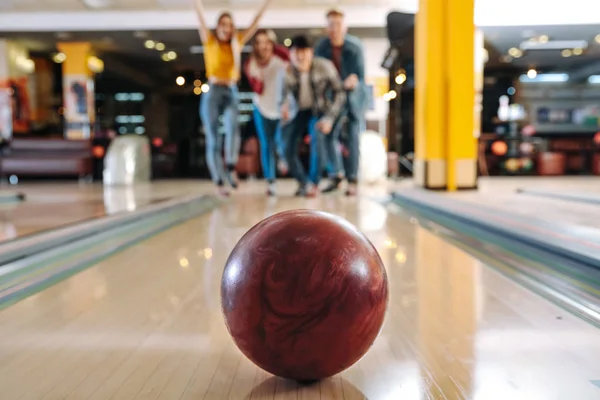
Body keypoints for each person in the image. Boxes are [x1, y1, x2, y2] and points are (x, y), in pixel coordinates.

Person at [193, 0, 273, 196]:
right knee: (213, 137)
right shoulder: (209, 41)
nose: (227, 29)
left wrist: (266, 4)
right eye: (223, 24)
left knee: (232, 129)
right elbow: (200, 17)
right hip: (212, 90)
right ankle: (219, 180)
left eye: (230, 25)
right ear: (218, 26)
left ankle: (230, 167)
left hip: (231, 90)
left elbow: (255, 22)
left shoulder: (237, 41)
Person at [280, 35, 346, 197]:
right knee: (285, 145)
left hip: (321, 111)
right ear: (291, 54)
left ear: (311, 53)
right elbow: (283, 99)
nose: (300, 57)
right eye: (296, 53)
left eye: (304, 52)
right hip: (299, 112)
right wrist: (284, 108)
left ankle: (314, 183)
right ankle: (304, 182)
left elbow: (340, 93)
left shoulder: (324, 66)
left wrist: (329, 119)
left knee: (318, 137)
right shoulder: (287, 71)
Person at [314, 8, 367, 196]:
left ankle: (352, 179)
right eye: (331, 24)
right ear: (326, 27)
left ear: (345, 27)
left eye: (338, 24)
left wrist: (353, 80)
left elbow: (360, 75)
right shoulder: (321, 48)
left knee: (353, 137)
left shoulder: (355, 47)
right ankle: (336, 175)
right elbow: (318, 75)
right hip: (332, 99)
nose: (334, 28)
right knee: (327, 135)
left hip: (352, 99)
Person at [244, 29, 289, 197]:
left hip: (281, 108)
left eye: (266, 41)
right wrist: (259, 79)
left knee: (281, 141)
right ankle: (271, 181)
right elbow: (257, 89)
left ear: (272, 43)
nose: (263, 46)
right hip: (262, 109)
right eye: (259, 42)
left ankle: (283, 159)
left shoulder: (282, 58)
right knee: (266, 144)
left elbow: (292, 77)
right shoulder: (251, 64)